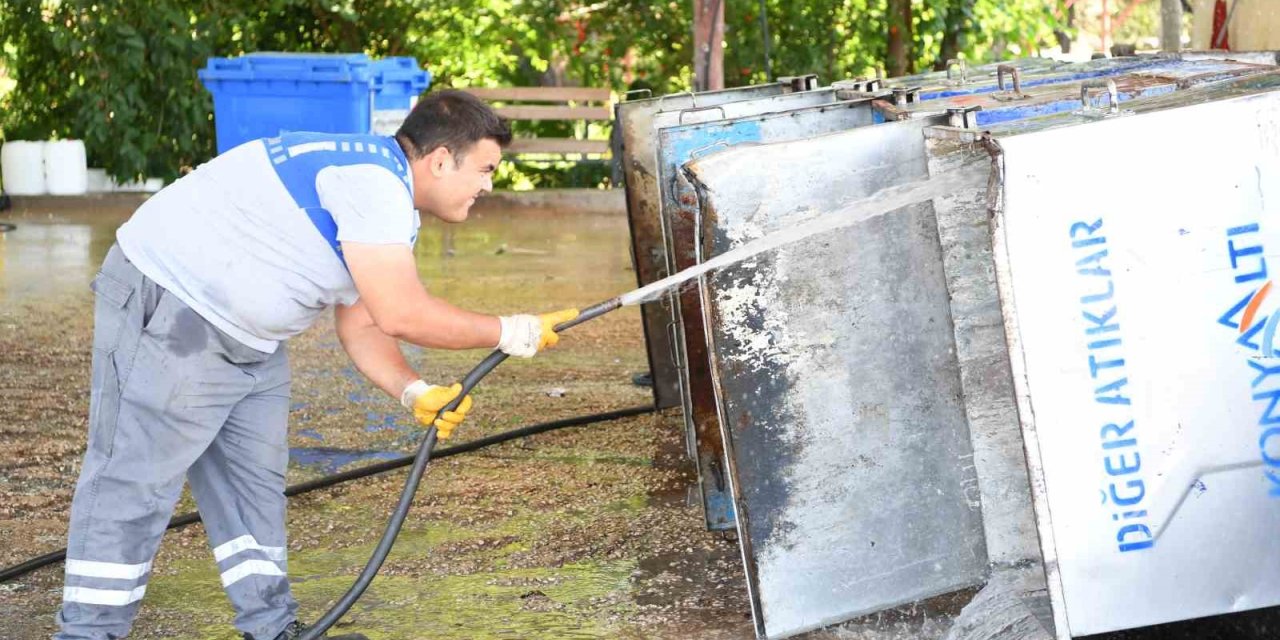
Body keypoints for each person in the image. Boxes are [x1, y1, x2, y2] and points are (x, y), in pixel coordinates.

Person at [54, 89, 577, 640]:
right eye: (486, 169)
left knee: (251, 486)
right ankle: (87, 633)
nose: (488, 186)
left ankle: (272, 629)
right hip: (175, 307)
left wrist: (412, 390)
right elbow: (402, 313)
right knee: (135, 482)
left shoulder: (385, 195)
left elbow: (365, 320)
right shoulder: (370, 182)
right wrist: (508, 330)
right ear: (441, 160)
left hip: (251, 338)